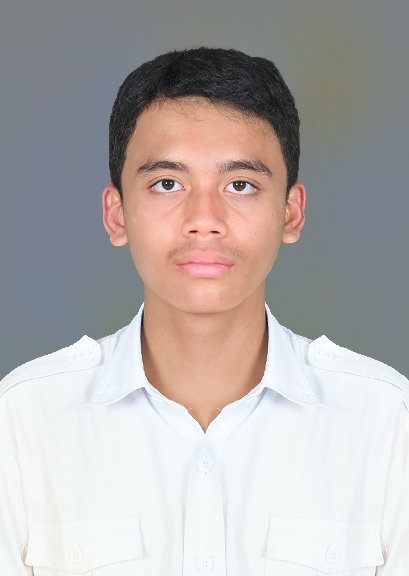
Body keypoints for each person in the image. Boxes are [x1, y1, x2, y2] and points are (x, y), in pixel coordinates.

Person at [0, 47, 407, 576]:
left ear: (291, 211)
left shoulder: (384, 422)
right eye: (167, 183)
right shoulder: (24, 421)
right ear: (117, 214)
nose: (205, 219)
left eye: (240, 185)